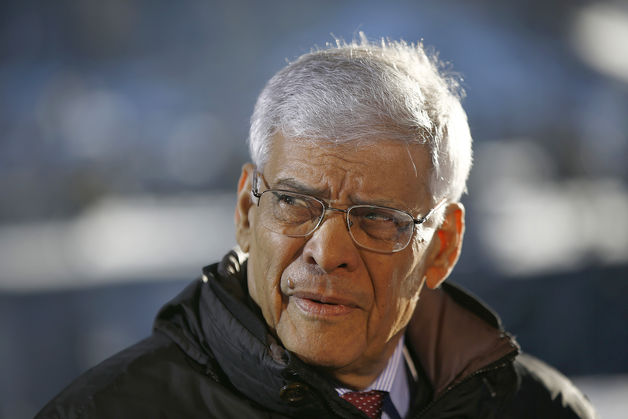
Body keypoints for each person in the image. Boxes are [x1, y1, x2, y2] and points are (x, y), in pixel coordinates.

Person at [37, 35, 597, 419]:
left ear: (442, 246)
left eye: (377, 218)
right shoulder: (102, 412)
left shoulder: (541, 411)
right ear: (246, 211)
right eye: (294, 203)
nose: (327, 253)